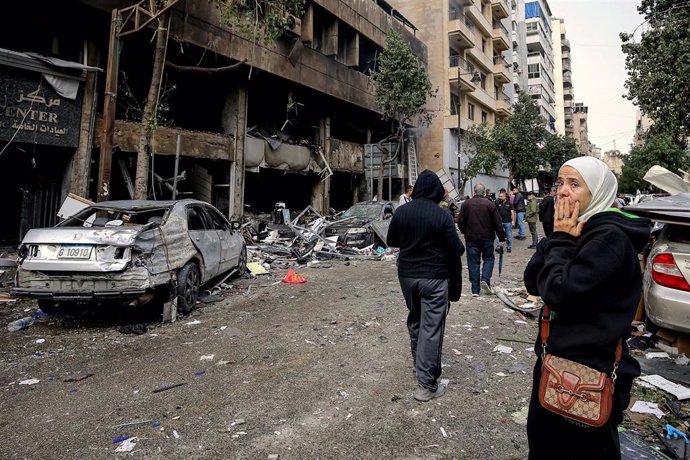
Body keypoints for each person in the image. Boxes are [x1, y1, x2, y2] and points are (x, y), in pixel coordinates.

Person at [523, 156, 651, 459]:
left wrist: (563, 242)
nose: (562, 192)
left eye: (574, 184)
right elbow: (532, 281)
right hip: (554, 364)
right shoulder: (571, 231)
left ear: (597, 192)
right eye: (560, 183)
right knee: (543, 445)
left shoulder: (608, 238)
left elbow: (558, 292)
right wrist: (556, 238)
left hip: (589, 373)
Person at [387, 170, 465, 402]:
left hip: (407, 277)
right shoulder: (441, 216)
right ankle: (426, 385)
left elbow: (391, 241)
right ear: (436, 191)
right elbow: (458, 249)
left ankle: (419, 366)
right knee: (431, 328)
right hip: (434, 278)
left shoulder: (401, 212)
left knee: (416, 320)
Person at [458, 183, 506, 297]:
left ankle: (475, 289)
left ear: (474, 192)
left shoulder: (466, 204)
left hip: (471, 238)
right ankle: (485, 279)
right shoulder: (490, 204)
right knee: (489, 259)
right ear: (484, 193)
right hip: (487, 237)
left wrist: (465, 231)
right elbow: (498, 222)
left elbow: (460, 221)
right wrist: (502, 238)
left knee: (473, 262)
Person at [494, 189, 514, 253]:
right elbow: (495, 212)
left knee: (508, 236)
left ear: (505, 197)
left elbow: (512, 212)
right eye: (499, 196)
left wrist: (513, 221)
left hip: (508, 222)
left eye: (501, 196)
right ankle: (499, 247)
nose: (500, 197)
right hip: (500, 222)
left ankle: (509, 247)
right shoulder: (497, 203)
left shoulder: (509, 203)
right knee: (498, 235)